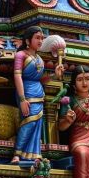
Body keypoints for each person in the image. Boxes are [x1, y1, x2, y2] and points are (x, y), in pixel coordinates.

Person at [10, 26, 63, 164]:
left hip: (39, 94)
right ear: (28, 40)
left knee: (36, 124)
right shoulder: (21, 55)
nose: (40, 41)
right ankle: (17, 154)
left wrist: (54, 76)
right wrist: (22, 99)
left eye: (42, 38)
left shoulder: (39, 58)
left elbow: (40, 80)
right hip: (26, 93)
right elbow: (17, 76)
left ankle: (34, 154)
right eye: (37, 38)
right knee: (28, 122)